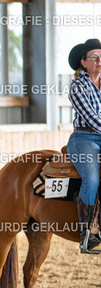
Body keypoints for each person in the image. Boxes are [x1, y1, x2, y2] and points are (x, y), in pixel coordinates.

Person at [67, 38, 101, 254]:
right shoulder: (78, 87)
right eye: (94, 57)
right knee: (92, 178)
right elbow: (91, 118)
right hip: (85, 138)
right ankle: (87, 234)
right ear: (84, 62)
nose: (99, 61)